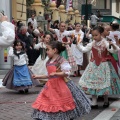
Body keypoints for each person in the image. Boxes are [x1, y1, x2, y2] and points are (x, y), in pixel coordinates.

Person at [31, 41, 91, 120]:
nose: (46, 51)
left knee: (61, 103)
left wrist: (57, 74)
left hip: (60, 85)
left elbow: (67, 73)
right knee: (47, 101)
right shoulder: (48, 61)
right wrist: (38, 76)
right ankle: (48, 117)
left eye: (48, 49)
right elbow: (49, 75)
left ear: (54, 50)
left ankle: (63, 117)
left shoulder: (61, 60)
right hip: (50, 85)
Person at [77, 26, 120, 109]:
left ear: (101, 34)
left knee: (104, 83)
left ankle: (106, 100)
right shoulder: (92, 43)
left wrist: (113, 45)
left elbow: (115, 50)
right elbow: (84, 49)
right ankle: (94, 102)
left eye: (96, 35)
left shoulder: (106, 43)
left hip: (103, 66)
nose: (94, 37)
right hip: (93, 65)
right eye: (93, 35)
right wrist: (78, 44)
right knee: (92, 83)